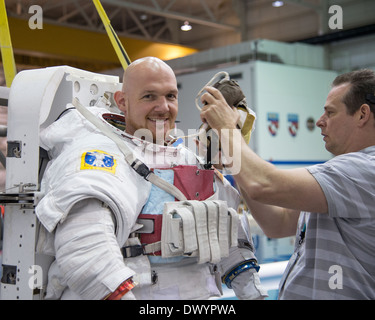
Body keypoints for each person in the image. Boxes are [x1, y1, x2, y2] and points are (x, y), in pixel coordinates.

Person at [35, 57, 267, 300]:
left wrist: (254, 293)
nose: (163, 107)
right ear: (122, 101)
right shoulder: (100, 155)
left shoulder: (188, 159)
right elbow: (87, 250)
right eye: (149, 96)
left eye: (170, 96)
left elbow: (228, 234)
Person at [200, 69, 375, 300]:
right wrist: (235, 156)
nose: (320, 122)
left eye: (330, 113)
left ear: (362, 114)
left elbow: (263, 184)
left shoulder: (364, 170)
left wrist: (227, 128)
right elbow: (278, 223)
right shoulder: (344, 179)